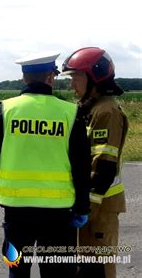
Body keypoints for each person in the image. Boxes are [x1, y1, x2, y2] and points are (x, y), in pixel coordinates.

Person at [0, 52, 91, 278]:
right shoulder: (70, 113)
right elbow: (82, 167)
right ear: (51, 77)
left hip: (16, 210)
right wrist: (82, 207)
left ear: (23, 79)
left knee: (18, 271)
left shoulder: (4, 111)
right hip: (59, 215)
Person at [61, 47, 128, 278]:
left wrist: (87, 207)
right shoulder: (91, 109)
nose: (72, 85)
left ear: (95, 78)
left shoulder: (106, 112)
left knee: (99, 269)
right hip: (93, 206)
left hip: (100, 206)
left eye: (76, 77)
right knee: (88, 269)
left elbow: (104, 167)